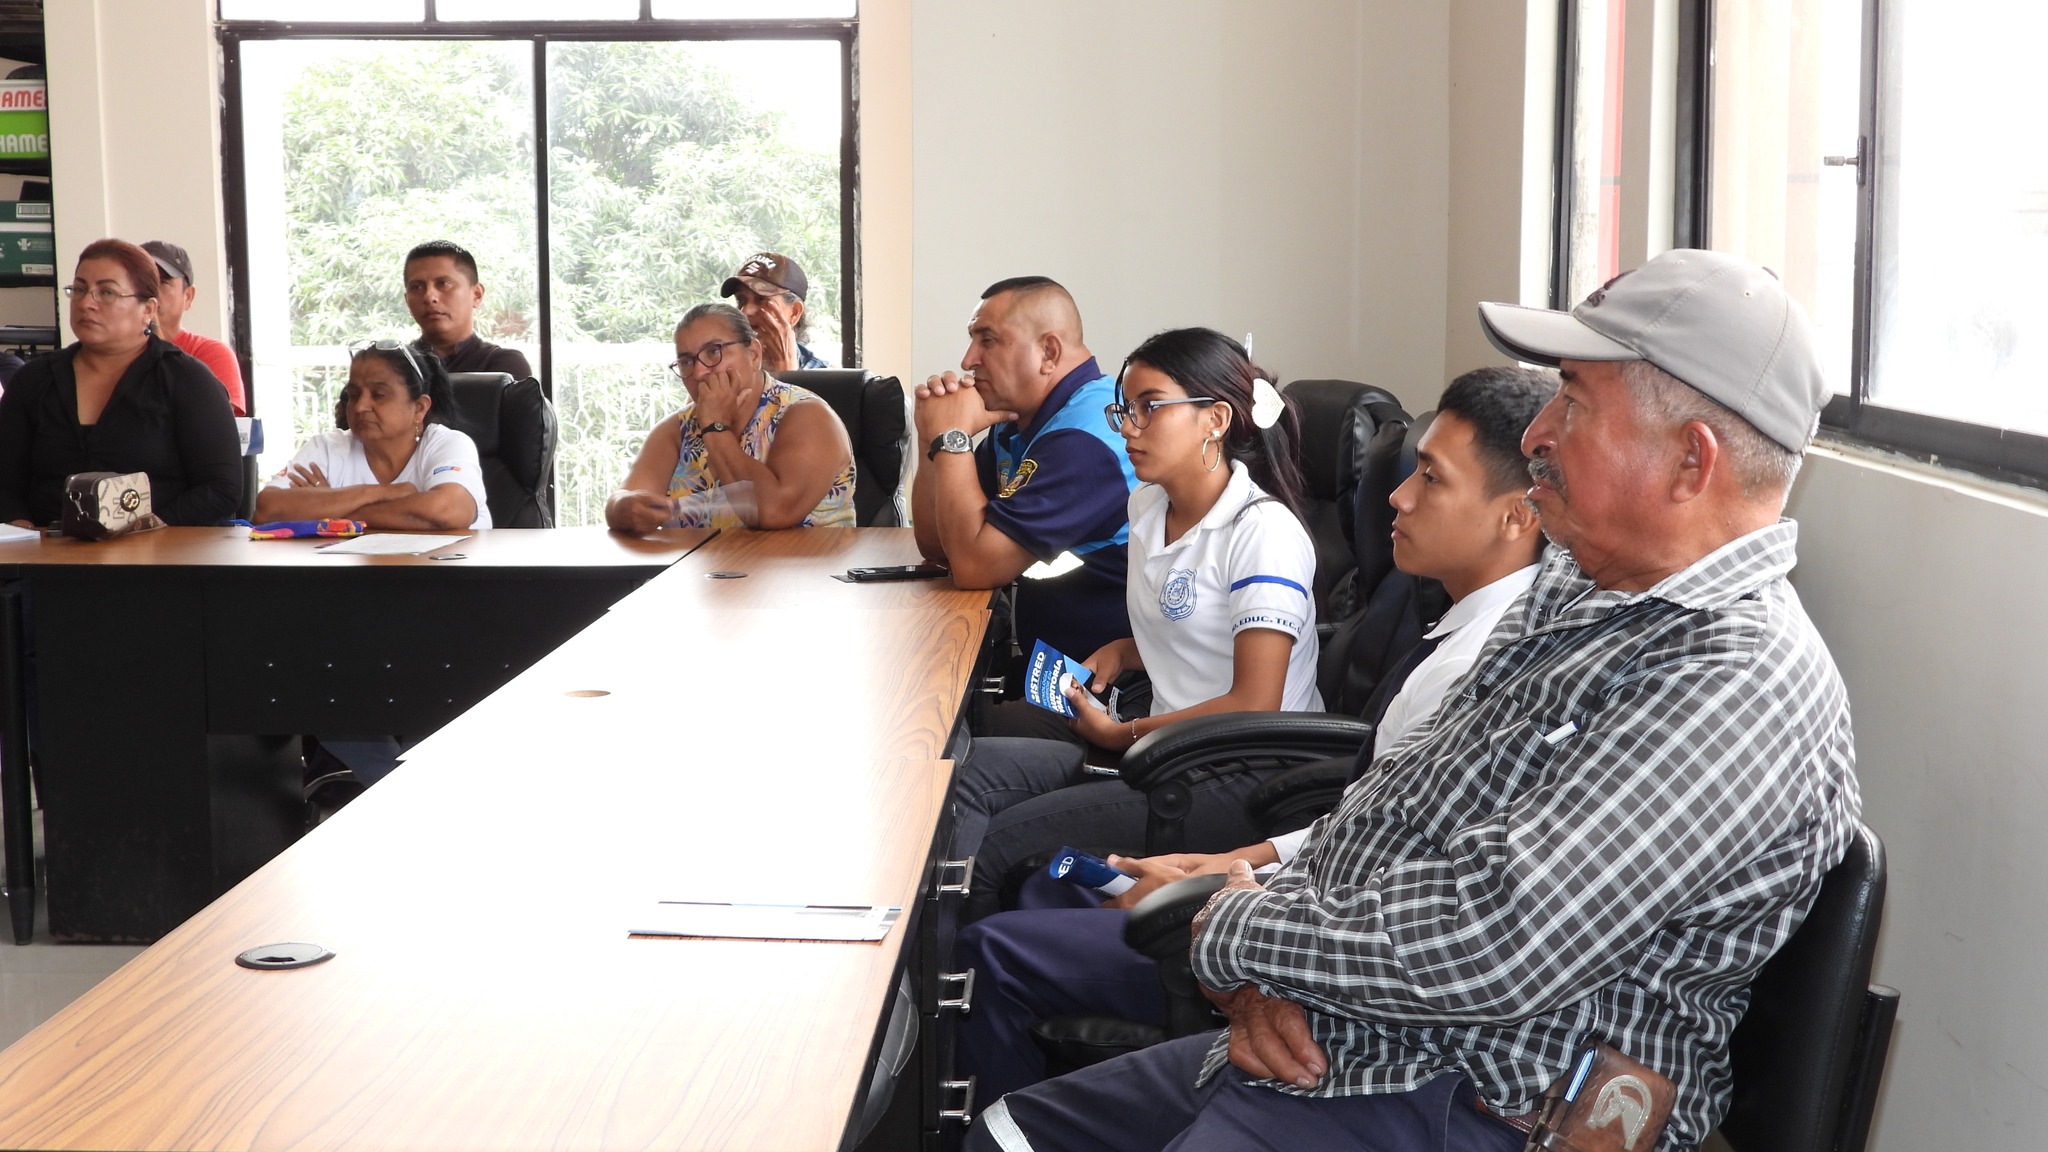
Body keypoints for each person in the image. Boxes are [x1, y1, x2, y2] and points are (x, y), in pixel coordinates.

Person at [967, 249, 1859, 1152]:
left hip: (1471, 1103)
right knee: (1006, 1136)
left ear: (1690, 461)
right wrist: (1264, 941)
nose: (1539, 433)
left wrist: (1233, 927)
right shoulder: (1577, 592)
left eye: (1575, 401)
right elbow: (1403, 811)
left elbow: (1493, 939)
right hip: (1353, 1033)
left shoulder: (1735, 678)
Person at [952, 366, 1558, 1103]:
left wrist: (1223, 885)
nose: (1397, 496)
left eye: (1430, 479)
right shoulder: (1454, 625)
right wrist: (1222, 863)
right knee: (1048, 885)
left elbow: (1391, 881)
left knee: (996, 940)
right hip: (1292, 872)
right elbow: (1369, 822)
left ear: (1518, 516)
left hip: (1301, 926)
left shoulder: (1480, 667)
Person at [948, 328, 1319, 921]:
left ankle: (969, 971)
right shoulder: (1148, 505)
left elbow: (1256, 702)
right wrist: (1125, 650)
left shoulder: (1262, 534)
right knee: (968, 773)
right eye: (1126, 408)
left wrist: (1125, 734)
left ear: (1215, 419)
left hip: (1240, 771)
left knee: (994, 849)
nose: (1128, 427)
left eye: (1151, 407)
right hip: (1167, 752)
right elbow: (1198, 629)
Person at [914, 276, 1139, 676]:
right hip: (1052, 667)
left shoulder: (1086, 440)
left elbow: (974, 567)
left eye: (988, 340)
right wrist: (932, 437)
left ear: (1048, 352)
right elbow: (938, 545)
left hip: (1107, 685)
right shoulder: (1020, 420)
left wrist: (951, 436)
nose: (968, 360)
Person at [0, 238, 241, 528]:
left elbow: (222, 489)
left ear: (148, 309)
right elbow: (6, 484)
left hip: (159, 548)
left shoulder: (187, 380)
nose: (87, 303)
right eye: (79, 289)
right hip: (43, 549)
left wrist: (150, 527)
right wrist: (23, 532)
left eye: (107, 292)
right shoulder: (33, 380)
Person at [605, 302, 855, 533]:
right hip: (708, 567)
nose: (700, 372)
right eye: (686, 361)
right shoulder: (677, 429)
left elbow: (774, 512)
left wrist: (715, 427)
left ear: (754, 354)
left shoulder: (809, 415)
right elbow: (622, 499)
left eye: (713, 352)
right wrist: (624, 509)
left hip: (810, 566)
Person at [255, 341, 492, 530]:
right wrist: (385, 493)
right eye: (354, 395)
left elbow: (447, 511)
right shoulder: (328, 447)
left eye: (378, 395)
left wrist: (325, 508)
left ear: (419, 408)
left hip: (443, 573)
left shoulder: (447, 444)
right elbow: (267, 509)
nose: (360, 407)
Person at [142, 240, 246, 416]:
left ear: (188, 296)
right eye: (142, 282)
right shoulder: (106, 354)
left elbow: (214, 426)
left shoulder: (210, 353)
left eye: (162, 282)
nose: (151, 291)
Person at [403, 240, 532, 378]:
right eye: (417, 287)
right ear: (407, 300)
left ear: (476, 294)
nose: (429, 296)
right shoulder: (395, 366)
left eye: (443, 284)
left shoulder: (504, 366)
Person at [720, 251, 830, 372]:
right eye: (741, 300)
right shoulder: (722, 366)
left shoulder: (825, 377)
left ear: (794, 313)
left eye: (761, 299)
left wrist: (785, 368)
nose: (745, 311)